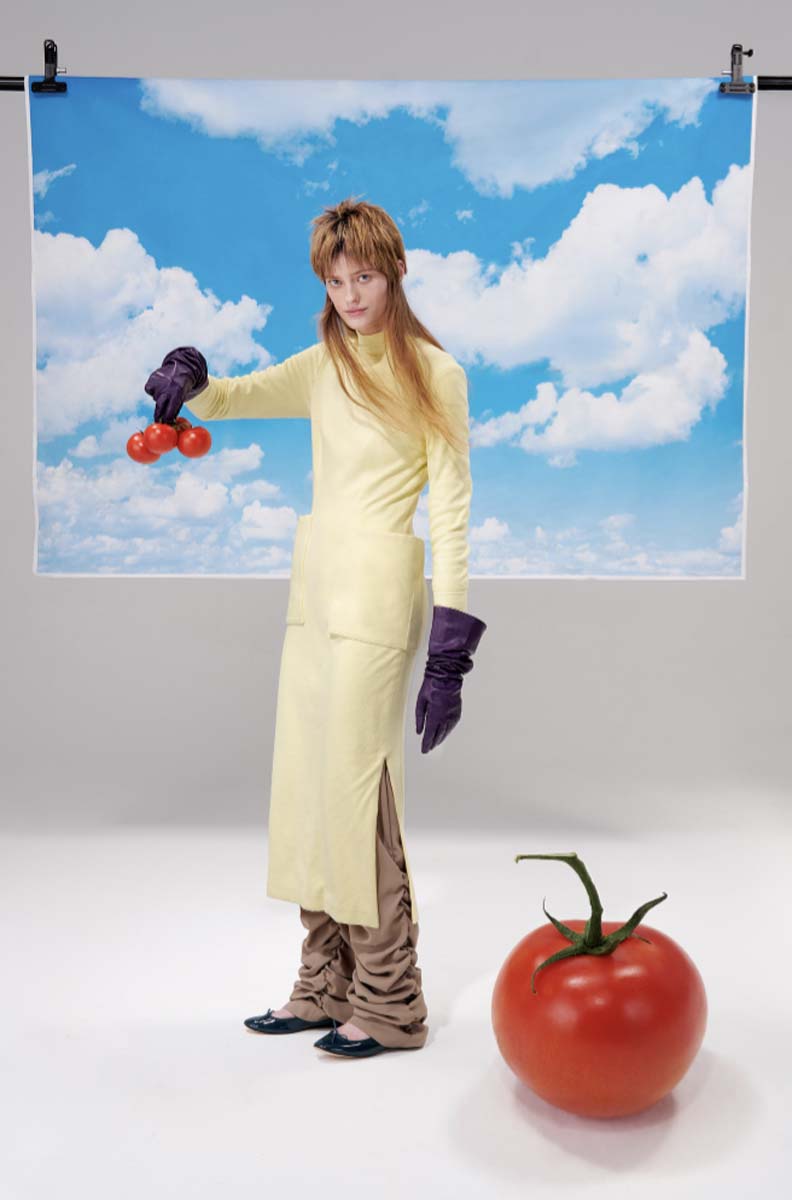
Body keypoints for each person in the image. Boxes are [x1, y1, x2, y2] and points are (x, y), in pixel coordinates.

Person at [144, 196, 487, 1059]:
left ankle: (391, 1001)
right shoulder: (324, 364)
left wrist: (448, 654)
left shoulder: (435, 373)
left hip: (378, 600)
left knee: (358, 793)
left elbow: (451, 512)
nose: (350, 295)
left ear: (396, 270)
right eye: (335, 282)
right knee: (307, 790)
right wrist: (188, 376)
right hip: (315, 596)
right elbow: (231, 399)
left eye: (364, 276)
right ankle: (325, 985)